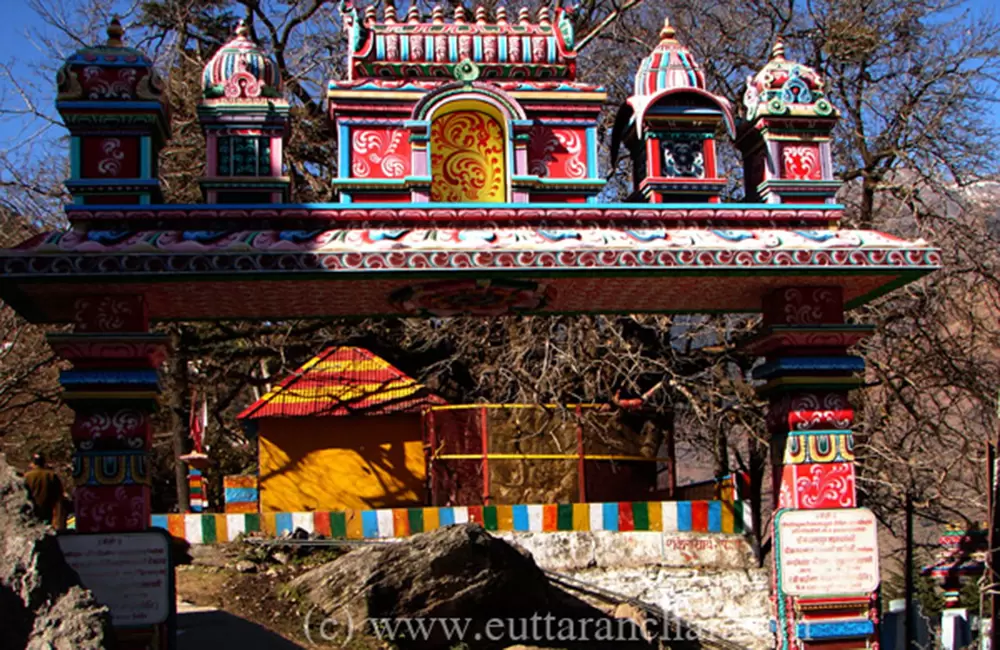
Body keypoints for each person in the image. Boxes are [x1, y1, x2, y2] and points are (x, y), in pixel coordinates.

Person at [23, 453, 65, 528]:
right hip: (47, 511)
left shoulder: (27, 476)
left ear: (33, 463)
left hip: (33, 512)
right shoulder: (51, 475)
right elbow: (59, 496)